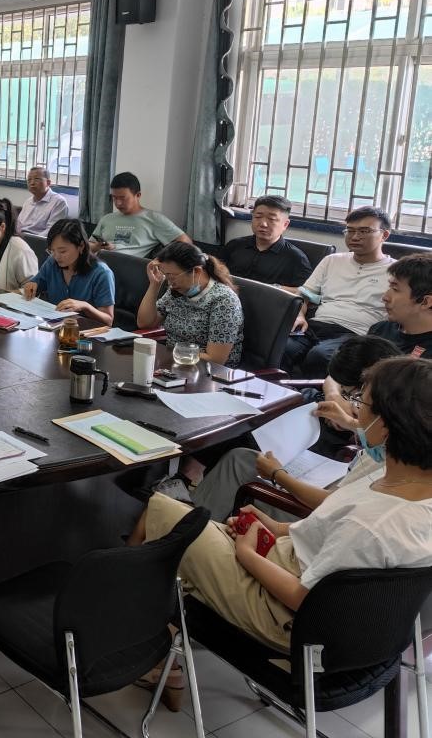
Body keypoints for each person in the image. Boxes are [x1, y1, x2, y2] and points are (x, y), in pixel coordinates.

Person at [136, 356, 432, 657]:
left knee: (161, 510)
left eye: (361, 403)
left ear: (385, 426)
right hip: (312, 587)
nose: (355, 413)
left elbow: (305, 599)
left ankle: (141, 647)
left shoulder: (369, 524)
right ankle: (158, 629)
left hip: (284, 618)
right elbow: (334, 532)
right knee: (185, 530)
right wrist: (276, 528)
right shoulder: (404, 490)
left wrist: (247, 555)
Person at [181, 336, 403, 521]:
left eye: (357, 399)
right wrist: (351, 423)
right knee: (240, 457)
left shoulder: (394, 462)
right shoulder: (399, 424)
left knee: (239, 462)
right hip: (335, 485)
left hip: (315, 515)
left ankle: (189, 534)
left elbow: (333, 505)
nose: (354, 406)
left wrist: (278, 475)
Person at [282, 206, 394, 376]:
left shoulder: (396, 271)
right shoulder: (332, 261)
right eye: (350, 230)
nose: (355, 237)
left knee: (319, 356)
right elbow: (305, 295)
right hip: (315, 326)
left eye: (364, 231)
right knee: (281, 347)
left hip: (357, 334)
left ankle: (310, 393)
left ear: (384, 235)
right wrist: (300, 316)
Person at [137, 241, 244, 367]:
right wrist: (155, 284)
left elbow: (215, 359)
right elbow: (145, 323)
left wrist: (171, 354)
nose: (170, 283)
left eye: (172, 276)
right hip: (175, 363)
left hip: (208, 371)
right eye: (166, 276)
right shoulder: (177, 290)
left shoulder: (224, 301)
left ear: (196, 271)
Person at [21, 219, 116, 324]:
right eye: (52, 251)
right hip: (54, 326)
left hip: (83, 330)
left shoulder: (101, 273)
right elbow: (35, 284)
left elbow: (108, 320)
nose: (56, 256)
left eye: (62, 251)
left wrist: (85, 306)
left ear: (81, 246)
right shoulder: (52, 263)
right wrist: (30, 286)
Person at [90, 172, 189, 257]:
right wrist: (96, 247)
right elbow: (89, 245)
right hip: (99, 263)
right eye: (114, 198)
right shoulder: (107, 219)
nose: (118, 203)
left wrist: (162, 261)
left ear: (138, 195)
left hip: (127, 266)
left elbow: (185, 242)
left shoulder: (153, 219)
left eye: (123, 198)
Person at [220, 195, 311, 287]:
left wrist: (276, 288)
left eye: (272, 219)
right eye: (258, 217)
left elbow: (303, 292)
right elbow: (216, 272)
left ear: (285, 224)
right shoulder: (234, 245)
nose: (263, 224)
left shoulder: (296, 258)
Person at [367, 253, 432, 357]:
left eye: (395, 289)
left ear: (426, 302)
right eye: (390, 287)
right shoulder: (380, 330)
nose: (385, 297)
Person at [15, 166, 69, 236]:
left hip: (39, 240)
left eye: (36, 179)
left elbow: (52, 231)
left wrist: (33, 239)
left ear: (48, 182)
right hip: (21, 237)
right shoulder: (28, 202)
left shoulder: (59, 202)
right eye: (29, 180)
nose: (32, 183)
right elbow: (18, 225)